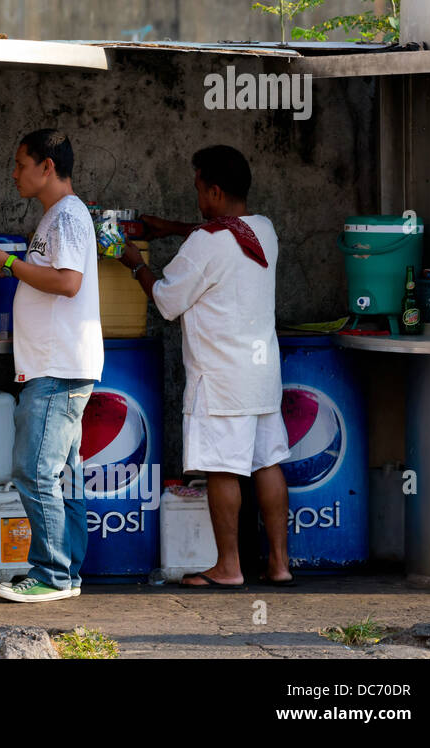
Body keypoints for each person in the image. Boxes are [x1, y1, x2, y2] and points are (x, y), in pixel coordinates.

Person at [119, 145, 293, 587]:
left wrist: (137, 262)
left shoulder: (204, 243)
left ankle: (228, 567)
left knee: (223, 470)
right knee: (267, 464)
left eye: (199, 188)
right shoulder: (264, 230)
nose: (196, 196)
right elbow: (224, 238)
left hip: (220, 380)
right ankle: (279, 564)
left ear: (214, 190)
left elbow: (165, 300)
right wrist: (175, 229)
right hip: (262, 374)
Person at [0, 129, 103, 603]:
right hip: (57, 364)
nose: (14, 173)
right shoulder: (61, 217)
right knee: (61, 475)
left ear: (47, 166)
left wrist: (8, 265)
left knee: (34, 471)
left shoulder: (66, 216)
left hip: (58, 368)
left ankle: (52, 573)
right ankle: (67, 572)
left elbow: (68, 282)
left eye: (21, 163)